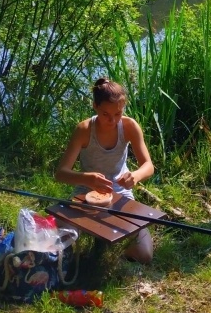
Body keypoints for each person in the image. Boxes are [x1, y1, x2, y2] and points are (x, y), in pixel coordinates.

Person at [55, 78, 155, 263]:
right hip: (86, 193)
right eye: (105, 114)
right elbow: (61, 173)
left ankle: (110, 240)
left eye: (118, 113)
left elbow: (148, 166)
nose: (112, 120)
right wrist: (87, 179)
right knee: (60, 240)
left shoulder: (129, 126)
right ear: (95, 106)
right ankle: (95, 239)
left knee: (144, 255)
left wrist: (135, 176)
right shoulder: (84, 129)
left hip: (120, 192)